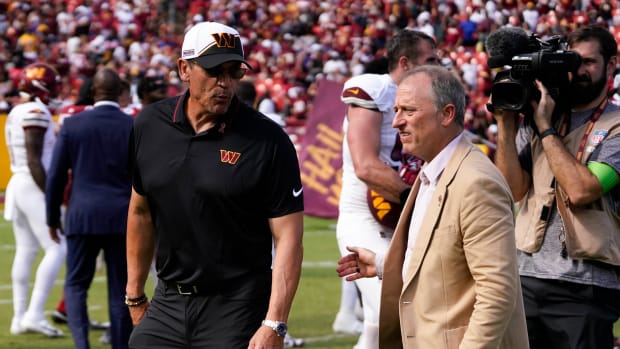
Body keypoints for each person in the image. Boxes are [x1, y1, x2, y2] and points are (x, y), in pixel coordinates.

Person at [126, 21, 304, 349]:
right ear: (184, 69)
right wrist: (135, 297)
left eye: (233, 72)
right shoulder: (149, 125)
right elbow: (140, 211)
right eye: (213, 71)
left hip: (237, 304)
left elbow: (289, 235)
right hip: (168, 301)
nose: (224, 83)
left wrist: (275, 323)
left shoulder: (267, 140)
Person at [337, 65, 529, 348]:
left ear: (447, 114)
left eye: (409, 111)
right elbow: (442, 262)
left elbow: (497, 292)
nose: (396, 122)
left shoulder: (476, 182)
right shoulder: (431, 172)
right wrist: (382, 265)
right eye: (396, 110)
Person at [492, 24, 620, 349]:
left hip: (585, 288)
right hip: (526, 276)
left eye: (589, 61)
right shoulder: (539, 113)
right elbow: (512, 190)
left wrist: (547, 129)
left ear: (612, 64)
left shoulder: (615, 125)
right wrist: (506, 126)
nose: (579, 70)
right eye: (573, 61)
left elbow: (582, 190)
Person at [334, 29, 438, 348]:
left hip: (405, 217)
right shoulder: (374, 89)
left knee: (384, 326)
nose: (438, 67)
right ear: (405, 63)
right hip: (367, 214)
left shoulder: (429, 100)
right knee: (393, 311)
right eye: (430, 61)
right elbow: (366, 165)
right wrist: (415, 201)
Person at [45, 67, 134, 349]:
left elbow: (57, 176)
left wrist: (51, 218)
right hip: (122, 218)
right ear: (121, 93)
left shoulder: (73, 125)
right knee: (121, 290)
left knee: (75, 285)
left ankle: (82, 345)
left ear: (93, 92)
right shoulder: (133, 124)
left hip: (81, 216)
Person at [4, 62, 66, 338]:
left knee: (27, 251)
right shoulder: (34, 111)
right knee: (58, 247)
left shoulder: (19, 110)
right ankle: (34, 313)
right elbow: (34, 159)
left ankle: (19, 317)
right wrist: (52, 195)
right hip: (31, 182)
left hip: (19, 182)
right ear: (41, 86)